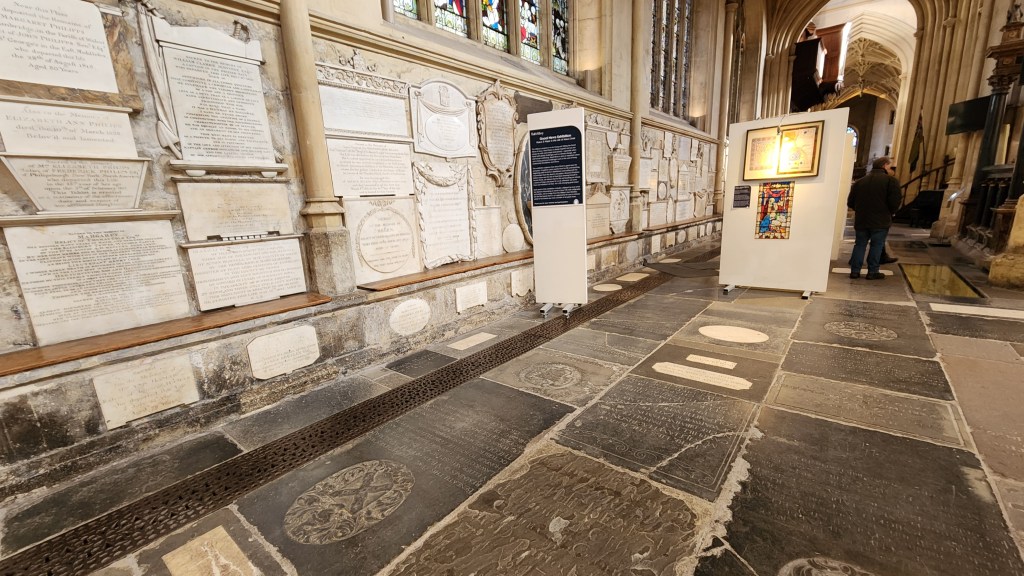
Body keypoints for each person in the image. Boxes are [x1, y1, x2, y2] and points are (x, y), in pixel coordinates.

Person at [847, 156, 901, 279]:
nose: (891, 169)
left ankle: (855, 271)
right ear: (884, 166)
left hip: (862, 219)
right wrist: (891, 212)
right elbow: (895, 201)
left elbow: (850, 202)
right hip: (880, 220)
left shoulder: (860, 182)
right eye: (890, 167)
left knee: (859, 244)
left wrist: (861, 210)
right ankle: (872, 272)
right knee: (876, 245)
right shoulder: (891, 181)